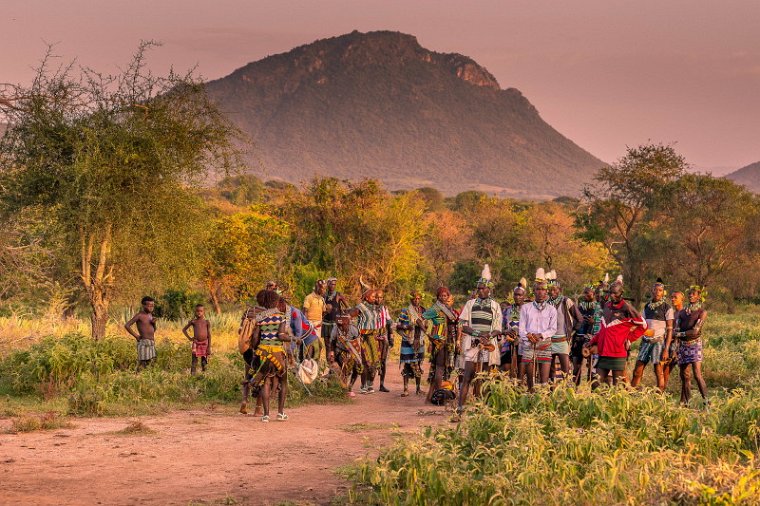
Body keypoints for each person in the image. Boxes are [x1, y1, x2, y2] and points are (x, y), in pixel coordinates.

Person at [455, 265, 502, 419]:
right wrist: (477, 334)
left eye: (483, 288)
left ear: (489, 289)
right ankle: (460, 409)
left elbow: (497, 328)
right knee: (468, 376)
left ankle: (483, 411)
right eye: (478, 288)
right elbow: (463, 324)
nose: (480, 291)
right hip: (473, 344)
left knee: (485, 378)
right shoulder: (470, 304)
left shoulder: (495, 306)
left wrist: (488, 336)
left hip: (488, 345)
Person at [249, 290, 299, 422]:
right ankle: (280, 413)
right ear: (276, 302)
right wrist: (293, 339)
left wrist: (254, 347)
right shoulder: (281, 316)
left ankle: (266, 415)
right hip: (277, 354)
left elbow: (255, 337)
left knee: (266, 382)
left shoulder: (260, 317)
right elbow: (281, 335)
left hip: (263, 353)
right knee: (283, 382)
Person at [587, 281, 646, 387]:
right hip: (604, 352)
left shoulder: (626, 308)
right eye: (611, 293)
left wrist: (628, 339)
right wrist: (592, 342)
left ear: (621, 294)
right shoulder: (606, 306)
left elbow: (643, 325)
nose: (612, 296)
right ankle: (603, 404)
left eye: (615, 293)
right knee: (595, 384)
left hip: (617, 353)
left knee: (617, 387)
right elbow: (603, 330)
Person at [666, 287, 708, 406]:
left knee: (697, 374)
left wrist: (679, 334)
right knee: (684, 375)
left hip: (695, 344)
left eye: (693, 294)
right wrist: (674, 350)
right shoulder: (682, 313)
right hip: (682, 346)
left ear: (699, 297)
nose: (691, 296)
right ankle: (688, 403)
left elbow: (694, 332)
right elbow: (677, 331)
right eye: (689, 294)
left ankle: (707, 403)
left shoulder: (702, 312)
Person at [631, 280, 674, 391]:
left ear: (663, 292)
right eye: (655, 290)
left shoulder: (667, 308)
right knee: (637, 370)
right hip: (646, 341)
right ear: (652, 291)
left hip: (658, 342)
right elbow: (643, 325)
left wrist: (666, 349)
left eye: (660, 290)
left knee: (658, 371)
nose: (657, 292)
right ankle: (631, 395)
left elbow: (669, 330)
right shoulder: (647, 307)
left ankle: (660, 396)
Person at [519, 269, 558, 390]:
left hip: (545, 344)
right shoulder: (526, 308)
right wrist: (528, 335)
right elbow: (521, 328)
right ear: (533, 291)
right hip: (529, 344)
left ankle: (543, 404)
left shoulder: (552, 309)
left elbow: (553, 329)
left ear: (547, 292)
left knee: (544, 381)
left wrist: (541, 335)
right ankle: (530, 401)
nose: (540, 292)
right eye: (538, 289)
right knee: (530, 381)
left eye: (543, 290)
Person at [423, 287, 459, 403]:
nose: (443, 297)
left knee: (444, 368)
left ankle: (433, 396)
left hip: (449, 341)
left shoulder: (449, 309)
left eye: (445, 296)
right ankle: (438, 396)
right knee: (439, 368)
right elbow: (421, 319)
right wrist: (428, 334)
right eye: (441, 296)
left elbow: (457, 323)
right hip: (439, 342)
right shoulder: (435, 308)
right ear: (438, 297)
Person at [347, 280, 383, 394]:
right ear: (367, 297)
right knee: (365, 361)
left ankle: (370, 385)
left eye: (375, 296)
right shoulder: (361, 307)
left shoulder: (375, 307)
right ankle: (363, 386)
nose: (375, 298)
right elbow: (350, 314)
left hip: (372, 337)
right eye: (373, 296)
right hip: (362, 337)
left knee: (374, 361)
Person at [546, 271, 580, 382]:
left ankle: (566, 391)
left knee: (565, 369)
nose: (552, 292)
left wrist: (571, 332)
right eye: (550, 289)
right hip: (549, 340)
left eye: (555, 289)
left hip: (562, 340)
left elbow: (579, 319)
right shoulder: (546, 303)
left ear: (559, 290)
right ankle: (550, 391)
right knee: (550, 369)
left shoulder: (566, 301)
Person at [238, 290, 266, 416]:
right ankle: (258, 409)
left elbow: (240, 330)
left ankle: (244, 400)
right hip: (260, 349)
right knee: (262, 377)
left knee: (247, 374)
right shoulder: (267, 313)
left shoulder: (249, 311)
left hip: (246, 348)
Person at [396, 291, 427, 396]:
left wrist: (423, 326)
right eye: (414, 298)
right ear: (411, 299)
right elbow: (398, 325)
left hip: (420, 340)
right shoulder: (405, 311)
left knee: (418, 364)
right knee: (407, 365)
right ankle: (405, 390)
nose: (416, 300)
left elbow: (426, 324)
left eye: (418, 298)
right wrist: (407, 327)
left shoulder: (423, 310)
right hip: (408, 340)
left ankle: (418, 389)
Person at [329, 314, 364, 396]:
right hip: (339, 350)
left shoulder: (354, 329)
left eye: (343, 325)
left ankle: (350, 387)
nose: (341, 327)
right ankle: (342, 388)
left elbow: (357, 344)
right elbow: (332, 342)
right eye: (339, 325)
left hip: (352, 352)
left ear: (348, 324)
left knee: (357, 367)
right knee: (344, 367)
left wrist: (356, 357)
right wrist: (332, 353)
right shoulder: (336, 329)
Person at [572, 286, 600, 385]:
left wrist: (593, 322)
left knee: (592, 367)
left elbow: (600, 323)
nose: (586, 295)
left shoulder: (598, 306)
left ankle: (592, 391)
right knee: (576, 365)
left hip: (592, 339)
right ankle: (574, 389)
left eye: (588, 293)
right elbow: (575, 319)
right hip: (579, 337)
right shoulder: (580, 306)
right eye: (585, 293)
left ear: (594, 294)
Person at [501, 280, 527, 376]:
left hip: (523, 343)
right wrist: (506, 332)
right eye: (516, 295)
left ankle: (520, 386)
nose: (517, 297)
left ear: (524, 296)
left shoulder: (528, 309)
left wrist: (520, 335)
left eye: (520, 295)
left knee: (521, 369)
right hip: (508, 342)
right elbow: (501, 326)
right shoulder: (508, 310)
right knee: (506, 368)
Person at [125, 296, 158, 370]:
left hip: (151, 342)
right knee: (142, 362)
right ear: (143, 305)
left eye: (152, 306)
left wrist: (154, 323)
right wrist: (136, 336)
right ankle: (137, 376)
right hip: (144, 342)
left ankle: (146, 379)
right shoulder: (140, 315)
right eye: (149, 305)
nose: (151, 307)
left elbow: (154, 330)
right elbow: (127, 325)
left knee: (150, 362)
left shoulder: (150, 315)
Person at [662, 291, 684, 388]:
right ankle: (661, 391)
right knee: (665, 368)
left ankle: (685, 397)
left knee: (683, 371)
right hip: (671, 344)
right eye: (672, 297)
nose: (673, 299)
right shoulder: (673, 313)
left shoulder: (685, 313)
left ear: (682, 300)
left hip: (681, 344)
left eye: (675, 297)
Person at [182, 304, 212, 375]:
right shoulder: (193, 322)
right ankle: (193, 376)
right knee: (194, 360)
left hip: (205, 343)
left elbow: (209, 335)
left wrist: (209, 347)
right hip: (196, 343)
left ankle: (204, 375)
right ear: (195, 312)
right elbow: (184, 330)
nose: (199, 312)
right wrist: (190, 338)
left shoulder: (206, 322)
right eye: (197, 311)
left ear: (204, 312)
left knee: (204, 361)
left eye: (201, 311)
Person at [303, 280, 328, 363]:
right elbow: (305, 312)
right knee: (310, 346)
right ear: (317, 287)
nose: (324, 291)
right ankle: (306, 365)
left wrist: (322, 319)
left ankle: (315, 367)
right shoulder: (309, 297)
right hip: (310, 325)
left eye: (325, 289)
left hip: (319, 326)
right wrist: (307, 325)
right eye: (323, 289)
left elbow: (323, 312)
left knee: (319, 347)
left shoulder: (322, 299)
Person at [375, 290, 394, 393]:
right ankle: (368, 384)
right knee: (371, 361)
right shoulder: (370, 308)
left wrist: (391, 337)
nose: (378, 299)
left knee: (383, 361)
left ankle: (381, 384)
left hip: (383, 337)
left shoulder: (384, 308)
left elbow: (389, 323)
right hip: (372, 337)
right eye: (377, 297)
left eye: (380, 297)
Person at [323, 277, 346, 349]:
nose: (333, 286)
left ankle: (336, 360)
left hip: (335, 323)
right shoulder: (324, 295)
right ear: (328, 285)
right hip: (326, 323)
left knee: (336, 344)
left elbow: (347, 307)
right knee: (327, 345)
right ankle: (328, 360)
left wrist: (345, 317)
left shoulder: (338, 295)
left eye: (334, 284)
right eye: (332, 284)